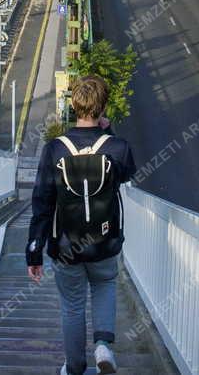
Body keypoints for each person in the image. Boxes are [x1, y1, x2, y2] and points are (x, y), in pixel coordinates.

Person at [26, 75, 136, 375]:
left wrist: (34, 251)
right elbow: (127, 175)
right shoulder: (118, 147)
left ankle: (74, 368)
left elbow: (42, 203)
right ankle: (103, 345)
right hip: (104, 241)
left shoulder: (54, 150)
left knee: (72, 306)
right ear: (102, 107)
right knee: (104, 285)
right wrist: (107, 131)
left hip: (65, 246)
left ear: (73, 105)